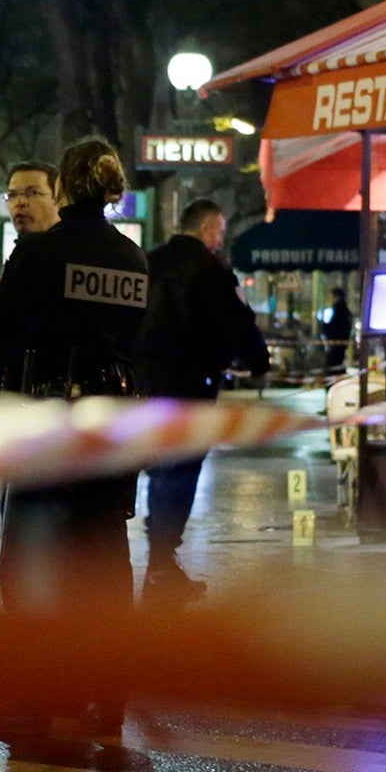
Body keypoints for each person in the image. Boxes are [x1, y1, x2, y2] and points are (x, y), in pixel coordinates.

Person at [0, 136, 148, 742]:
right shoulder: (132, 259)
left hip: (49, 415)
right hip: (112, 418)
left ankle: (37, 692)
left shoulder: (41, 254)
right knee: (104, 554)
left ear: (65, 189)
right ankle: (107, 692)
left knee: (32, 555)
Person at [136, 198, 267, 601]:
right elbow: (237, 324)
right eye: (220, 232)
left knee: (158, 465)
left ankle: (156, 560)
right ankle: (161, 561)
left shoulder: (147, 262)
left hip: (142, 384)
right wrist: (257, 362)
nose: (220, 239)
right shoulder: (211, 272)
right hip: (189, 386)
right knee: (178, 470)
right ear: (210, 228)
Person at [0, 161, 60, 388]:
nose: (20, 202)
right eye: (12, 195)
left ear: (58, 198)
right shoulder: (22, 250)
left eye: (33, 193)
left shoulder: (45, 254)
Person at [318, 285, 353, 373]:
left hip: (336, 343)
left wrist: (324, 327)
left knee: (334, 364)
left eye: (332, 297)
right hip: (340, 343)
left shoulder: (340, 311)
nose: (330, 300)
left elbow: (336, 327)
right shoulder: (343, 311)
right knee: (336, 363)